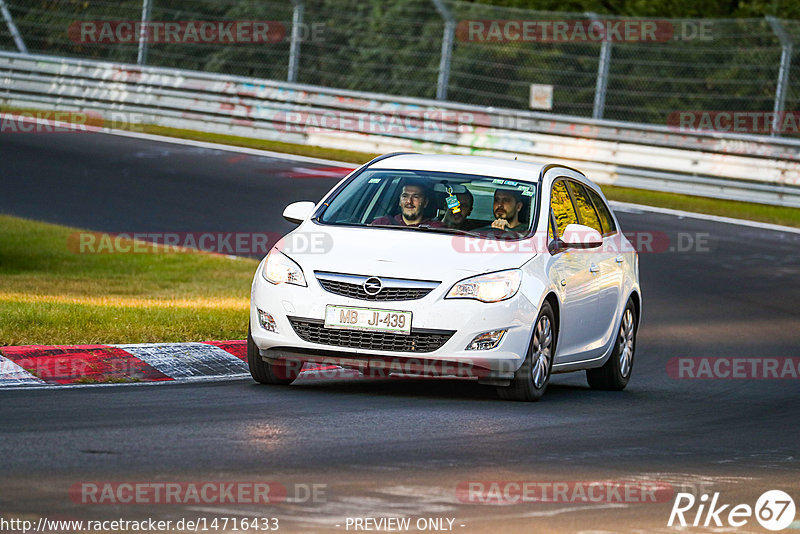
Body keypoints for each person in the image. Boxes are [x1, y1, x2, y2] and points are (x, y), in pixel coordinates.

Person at [370, 181, 443, 227]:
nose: (409, 201)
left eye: (415, 197)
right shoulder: (381, 224)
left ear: (425, 203)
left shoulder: (437, 228)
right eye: (405, 196)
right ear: (400, 201)